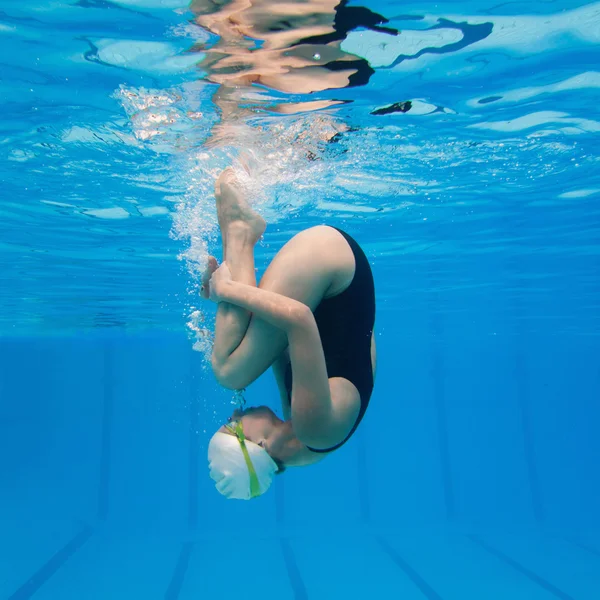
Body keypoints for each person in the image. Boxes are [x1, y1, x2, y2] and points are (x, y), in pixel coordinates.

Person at [203, 167, 376, 499]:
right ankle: (239, 228)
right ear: (260, 444)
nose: (237, 413)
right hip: (328, 262)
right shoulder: (314, 429)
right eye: (234, 424)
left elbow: (281, 341)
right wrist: (227, 290)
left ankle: (242, 234)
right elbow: (297, 319)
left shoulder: (305, 438)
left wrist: (221, 304)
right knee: (229, 372)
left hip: (336, 275)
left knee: (236, 366)